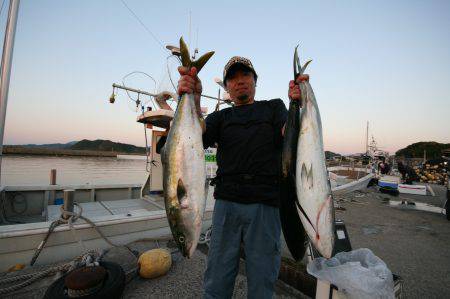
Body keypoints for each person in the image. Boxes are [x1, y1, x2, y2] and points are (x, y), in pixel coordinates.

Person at [176, 56, 307, 299]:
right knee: (217, 275)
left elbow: (289, 133)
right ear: (227, 88)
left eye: (245, 76)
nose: (239, 82)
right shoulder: (220, 118)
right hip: (226, 204)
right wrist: (193, 98)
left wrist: (300, 103)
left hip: (265, 205)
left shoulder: (274, 107)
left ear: (255, 81)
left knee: (263, 278)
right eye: (233, 79)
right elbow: (194, 133)